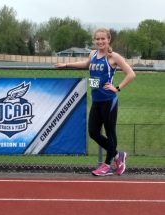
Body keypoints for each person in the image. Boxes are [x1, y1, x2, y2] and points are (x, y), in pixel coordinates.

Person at [55, 28, 136, 176]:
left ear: (108, 40)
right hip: (96, 100)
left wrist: (117, 88)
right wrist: (67, 65)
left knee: (110, 133)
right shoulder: (92, 54)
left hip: (108, 100)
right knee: (93, 132)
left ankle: (106, 165)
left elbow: (131, 74)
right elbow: (86, 64)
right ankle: (118, 155)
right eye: (97, 39)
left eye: (103, 39)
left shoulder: (113, 56)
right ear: (94, 40)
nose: (100, 41)